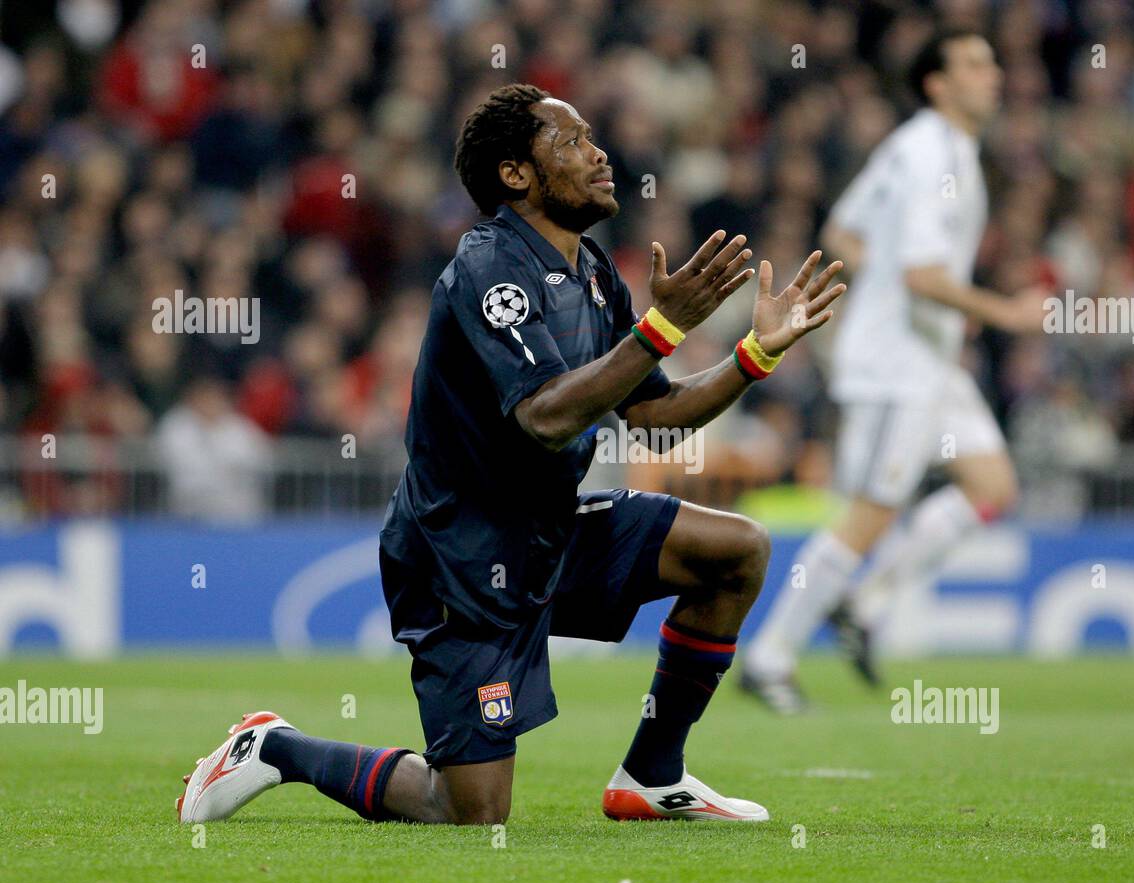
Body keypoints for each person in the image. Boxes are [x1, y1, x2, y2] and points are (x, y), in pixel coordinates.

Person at [176, 83, 845, 825]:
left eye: (594, 137)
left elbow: (654, 414)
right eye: (571, 142)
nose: (598, 153)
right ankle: (274, 748)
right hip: (458, 555)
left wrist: (755, 354)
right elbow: (546, 416)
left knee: (737, 550)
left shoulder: (592, 272)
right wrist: (661, 327)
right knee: (470, 812)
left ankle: (652, 776)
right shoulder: (489, 268)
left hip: (550, 530)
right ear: (516, 174)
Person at [741, 29, 1045, 713]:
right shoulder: (930, 153)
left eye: (992, 63)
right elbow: (922, 274)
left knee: (993, 486)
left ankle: (864, 602)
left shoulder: (924, 147)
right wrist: (1007, 313)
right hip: (897, 366)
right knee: (871, 514)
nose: (993, 75)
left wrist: (879, 289)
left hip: (926, 355)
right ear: (936, 84)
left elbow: (844, 230)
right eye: (974, 64)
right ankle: (768, 658)